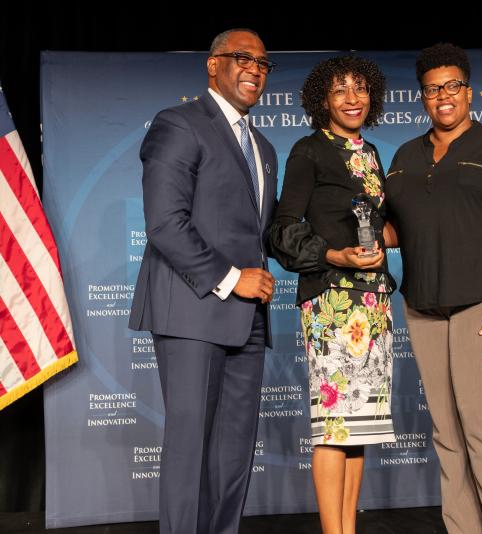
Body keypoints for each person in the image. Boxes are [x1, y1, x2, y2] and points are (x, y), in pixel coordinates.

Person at [128, 28, 277, 534]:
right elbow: (165, 222)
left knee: (234, 454)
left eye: (262, 62)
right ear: (213, 66)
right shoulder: (179, 124)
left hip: (248, 319)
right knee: (191, 450)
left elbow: (261, 232)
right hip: (192, 309)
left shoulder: (264, 147)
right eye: (242, 58)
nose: (254, 67)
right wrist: (233, 279)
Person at [385, 43, 482, 534]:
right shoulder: (406, 155)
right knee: (447, 435)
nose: (442, 96)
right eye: (432, 89)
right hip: (424, 307)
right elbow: (397, 230)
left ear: (468, 91)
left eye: (452, 86)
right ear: (422, 97)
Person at [270, 56, 395, 534]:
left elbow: (377, 227)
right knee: (334, 427)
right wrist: (337, 256)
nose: (352, 99)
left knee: (358, 430)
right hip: (332, 302)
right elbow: (281, 231)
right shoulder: (309, 150)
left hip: (374, 302)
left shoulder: (372, 154)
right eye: (340, 90)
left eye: (360, 89)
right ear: (322, 99)